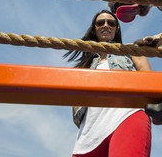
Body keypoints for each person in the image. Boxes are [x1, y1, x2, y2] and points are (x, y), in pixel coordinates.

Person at [64, 10, 152, 157]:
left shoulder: (131, 52)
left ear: (116, 28)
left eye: (111, 23)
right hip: (88, 135)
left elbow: (151, 82)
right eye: (100, 23)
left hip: (127, 118)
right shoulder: (83, 66)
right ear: (94, 29)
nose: (106, 25)